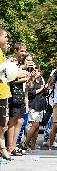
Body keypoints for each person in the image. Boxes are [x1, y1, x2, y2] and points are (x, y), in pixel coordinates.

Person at [7, 43, 29, 156]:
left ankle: (13, 146)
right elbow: (10, 79)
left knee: (20, 121)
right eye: (21, 51)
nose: (23, 53)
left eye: (24, 51)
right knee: (13, 121)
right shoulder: (11, 62)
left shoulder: (21, 63)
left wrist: (25, 76)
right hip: (13, 94)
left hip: (20, 94)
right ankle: (9, 148)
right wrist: (24, 77)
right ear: (16, 51)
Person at [0, 27, 12, 161]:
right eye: (5, 37)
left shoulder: (2, 54)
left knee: (3, 124)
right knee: (2, 125)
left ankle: (3, 149)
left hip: (4, 93)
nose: (7, 39)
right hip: (1, 94)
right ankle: (3, 149)